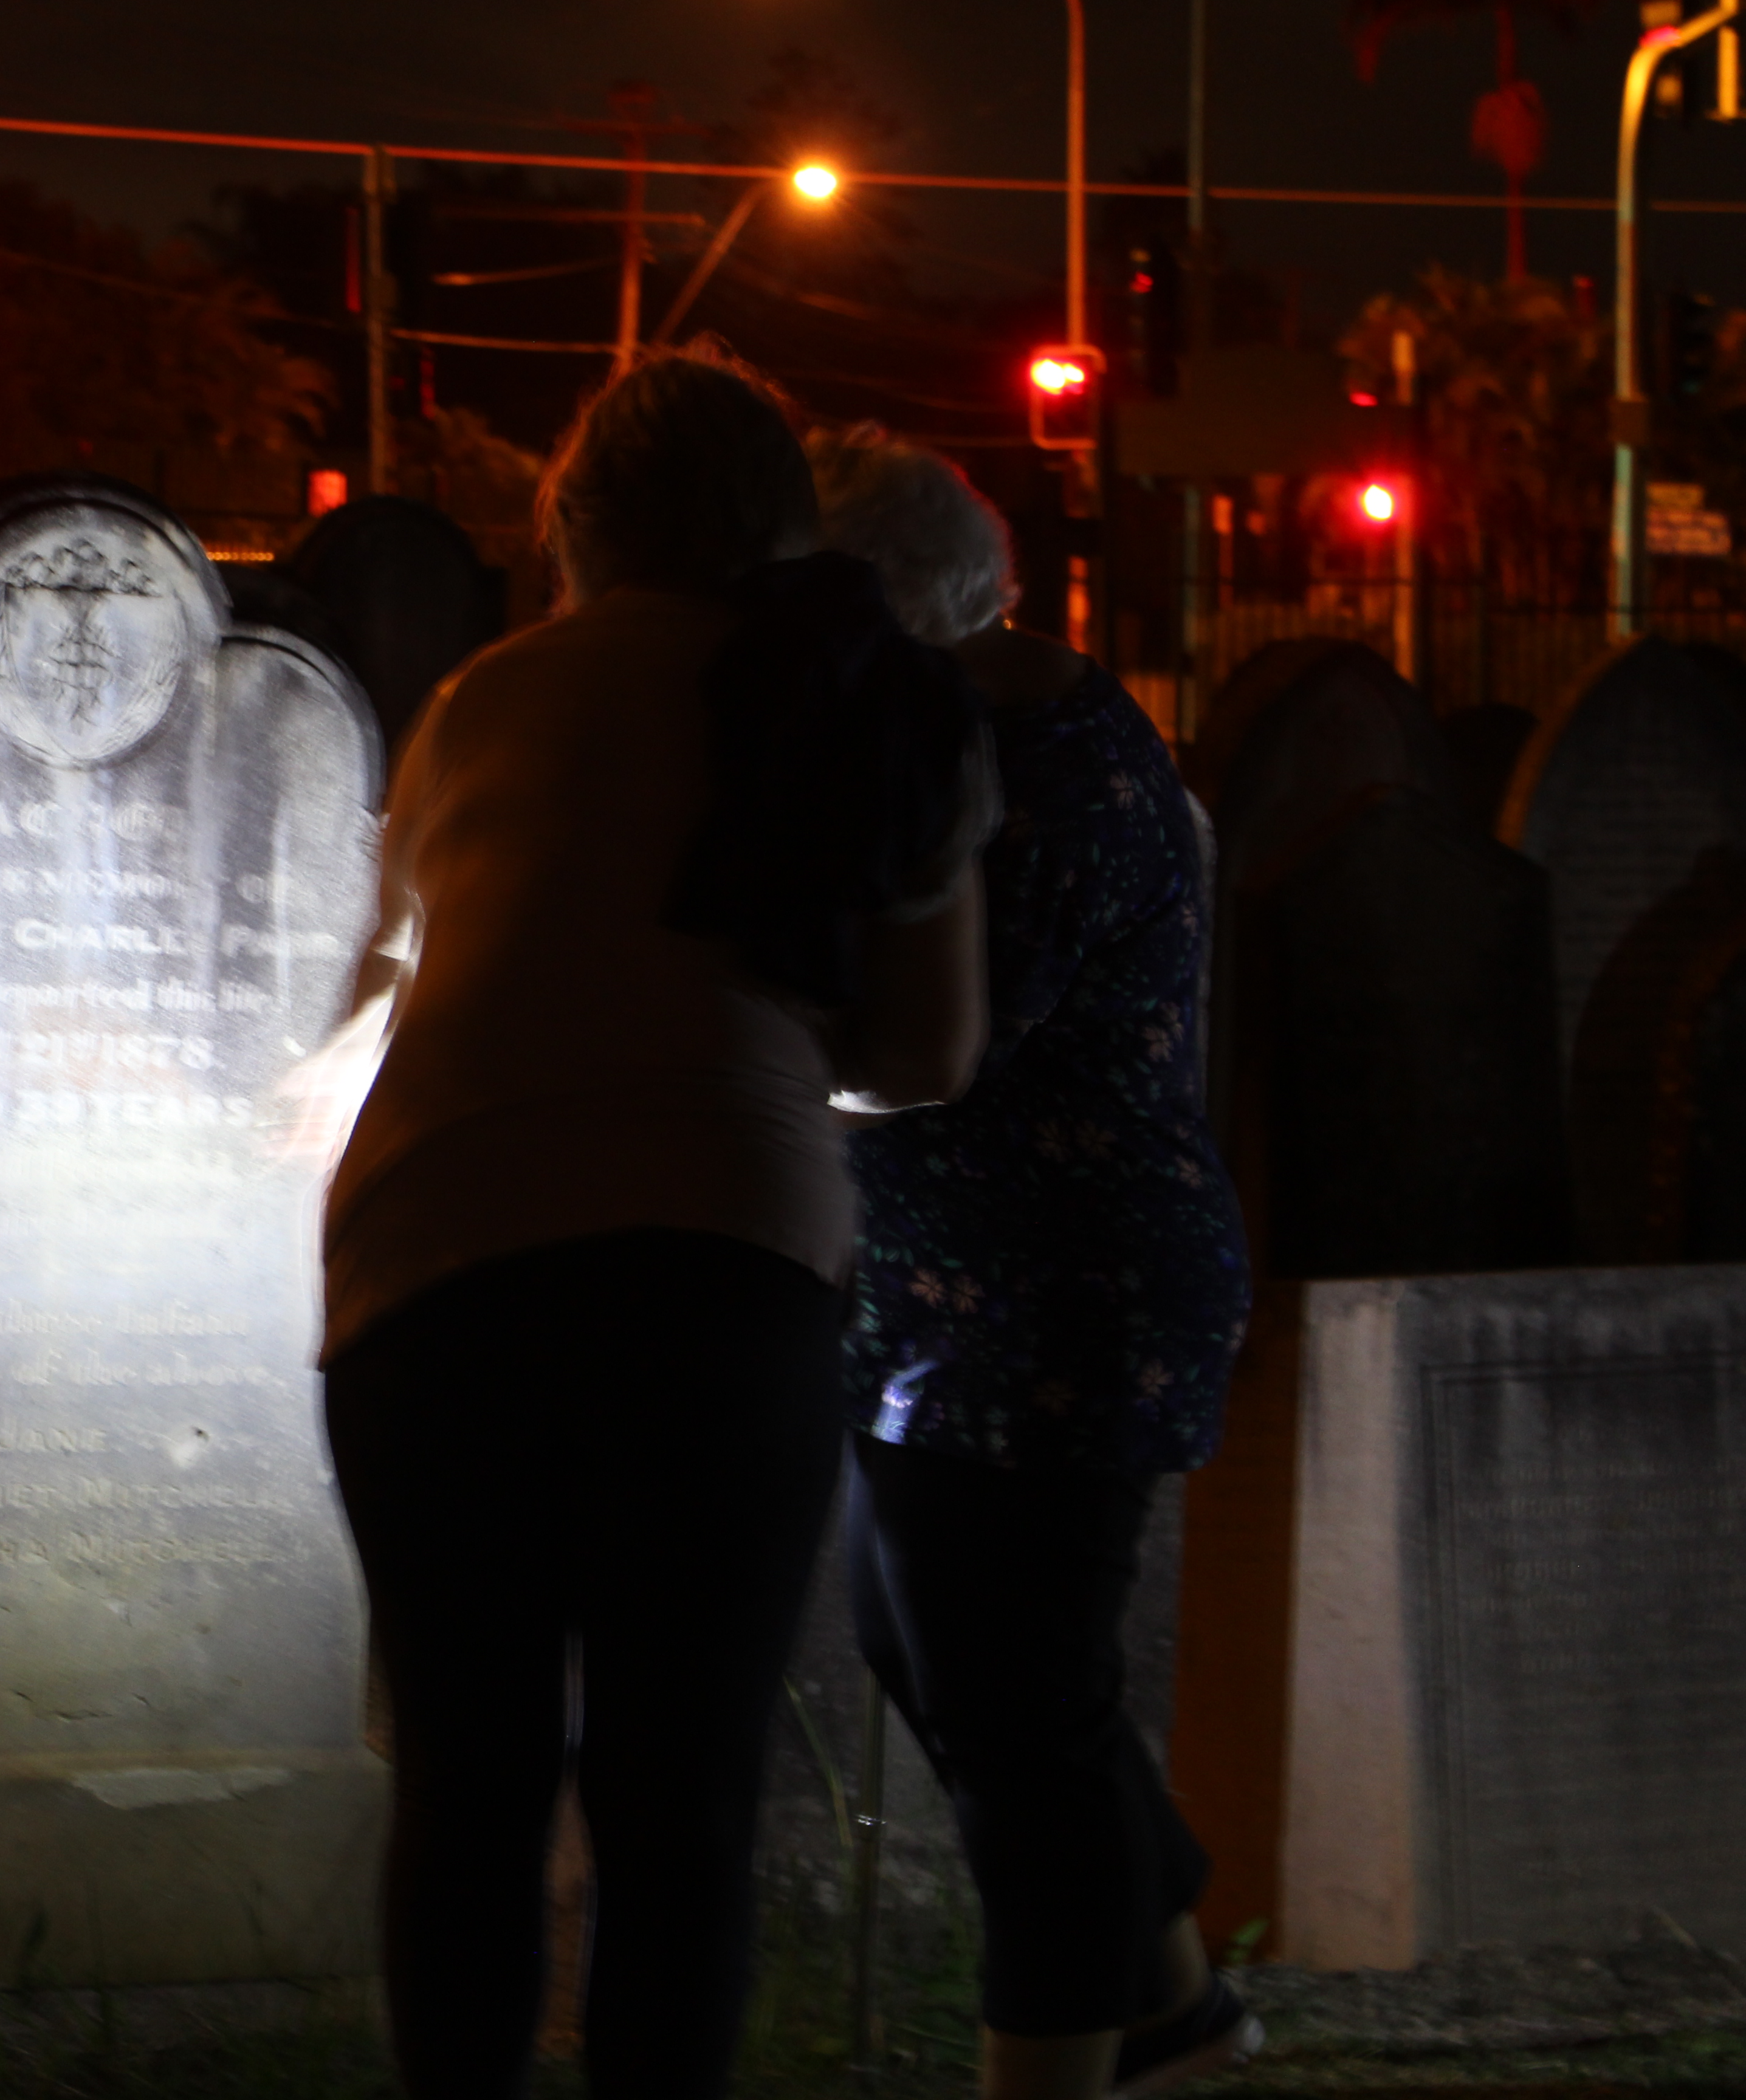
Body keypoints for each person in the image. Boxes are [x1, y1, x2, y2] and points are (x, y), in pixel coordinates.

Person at [315, 347, 994, 2100]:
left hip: (432, 1270)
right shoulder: (876, 703)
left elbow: (395, 976)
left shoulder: (482, 698)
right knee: (678, 1799)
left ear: (571, 526)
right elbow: (928, 1053)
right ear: (784, 520)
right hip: (719, 1267)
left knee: (467, 1781)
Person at [809, 425, 1259, 2100]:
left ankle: (1070, 2066)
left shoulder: (1033, 769)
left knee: (1018, 1729)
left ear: (886, 613)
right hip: (960, 1290)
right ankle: (1183, 2020)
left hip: (1061, 1293)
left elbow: (934, 1048)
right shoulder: (994, 726)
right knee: (952, 1666)